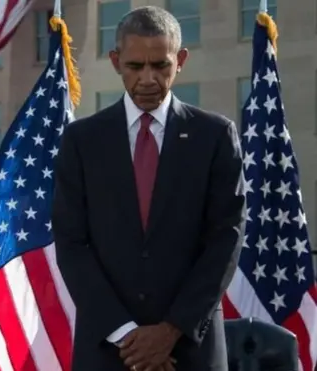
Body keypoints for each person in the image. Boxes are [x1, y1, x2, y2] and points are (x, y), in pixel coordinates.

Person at [52, 6, 245, 371]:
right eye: (135, 66)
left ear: (181, 60)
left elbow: (225, 241)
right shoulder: (82, 141)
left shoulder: (215, 137)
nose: (148, 79)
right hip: (108, 351)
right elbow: (71, 244)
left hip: (190, 349)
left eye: (160, 65)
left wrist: (169, 331)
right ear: (115, 61)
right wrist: (128, 336)